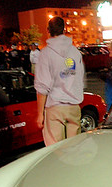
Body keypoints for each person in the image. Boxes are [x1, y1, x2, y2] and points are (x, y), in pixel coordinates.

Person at [35, 17, 85, 146]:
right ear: (65, 29)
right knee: (74, 148)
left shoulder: (46, 54)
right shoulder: (75, 52)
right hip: (74, 107)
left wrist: (40, 114)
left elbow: (42, 87)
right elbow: (79, 80)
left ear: (48, 30)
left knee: (56, 150)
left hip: (55, 107)